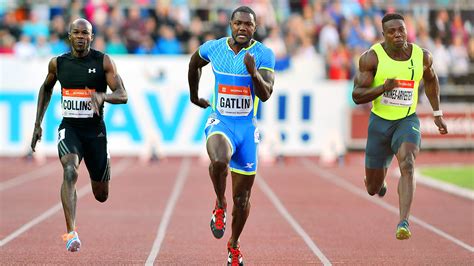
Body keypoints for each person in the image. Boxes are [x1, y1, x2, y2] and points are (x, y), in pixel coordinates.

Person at [30, 18, 128, 252]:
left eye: (86, 33)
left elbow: (123, 94)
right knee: (70, 170)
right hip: (70, 128)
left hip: (95, 133)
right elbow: (46, 88)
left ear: (91, 37)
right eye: (77, 32)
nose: (81, 36)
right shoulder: (58, 64)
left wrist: (103, 97)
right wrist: (37, 124)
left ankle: (104, 163)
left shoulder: (103, 61)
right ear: (70, 36)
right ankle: (71, 232)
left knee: (101, 195)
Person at [188, 6, 275, 266]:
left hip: (247, 129)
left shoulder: (263, 54)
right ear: (230, 24)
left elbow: (266, 93)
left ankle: (234, 245)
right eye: (238, 23)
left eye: (248, 25)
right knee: (218, 161)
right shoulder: (214, 48)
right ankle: (220, 202)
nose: (242, 28)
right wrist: (194, 95)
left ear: (254, 28)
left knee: (244, 199)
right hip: (221, 122)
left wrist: (253, 73)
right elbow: (194, 62)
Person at [352, 13, 448, 240]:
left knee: (408, 162)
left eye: (401, 30)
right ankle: (380, 181)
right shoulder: (371, 58)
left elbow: (432, 79)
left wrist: (437, 113)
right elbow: (356, 95)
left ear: (407, 30)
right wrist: (382, 88)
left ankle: (403, 221)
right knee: (372, 189)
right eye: (392, 31)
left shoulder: (421, 56)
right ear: (383, 35)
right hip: (379, 123)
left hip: (406, 119)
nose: (398, 35)